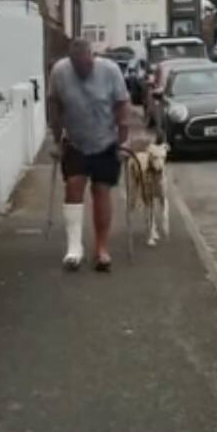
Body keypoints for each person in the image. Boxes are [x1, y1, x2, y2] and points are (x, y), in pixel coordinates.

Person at [48, 38, 131, 272]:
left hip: (106, 140)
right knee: (73, 185)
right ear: (70, 61)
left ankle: (101, 248)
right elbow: (54, 103)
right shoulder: (60, 71)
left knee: (101, 190)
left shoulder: (110, 70)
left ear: (92, 57)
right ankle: (74, 248)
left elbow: (122, 104)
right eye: (77, 65)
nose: (81, 70)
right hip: (75, 140)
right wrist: (56, 138)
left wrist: (123, 140)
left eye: (85, 64)